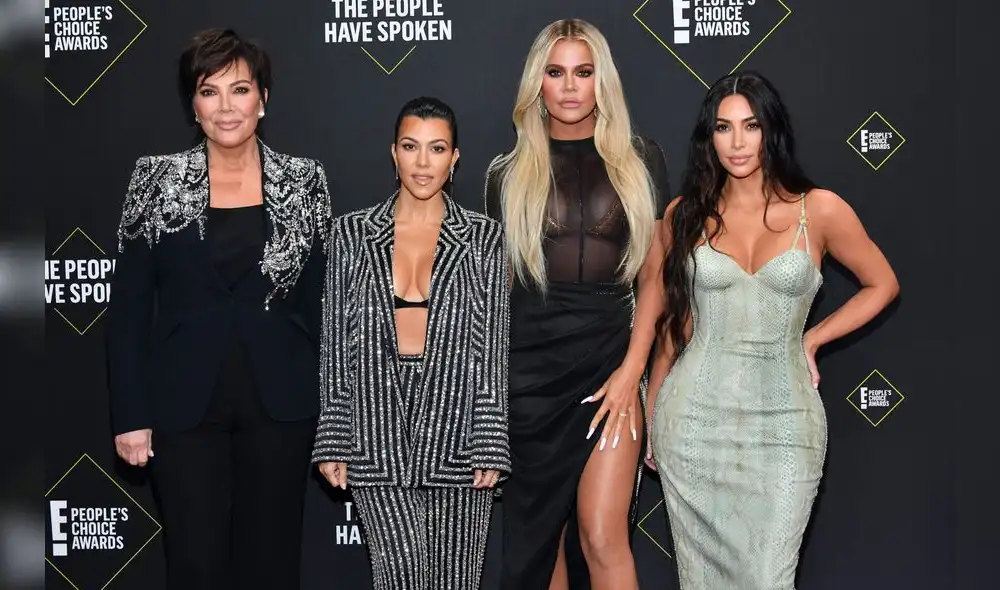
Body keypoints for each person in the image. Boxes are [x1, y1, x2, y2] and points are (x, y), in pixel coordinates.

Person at [647, 70, 900, 589]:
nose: (737, 142)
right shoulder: (683, 216)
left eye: (751, 126)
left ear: (772, 131)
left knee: (768, 578)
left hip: (785, 426)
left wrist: (813, 336)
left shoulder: (819, 209)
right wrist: (653, 412)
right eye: (723, 127)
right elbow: (673, 325)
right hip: (693, 422)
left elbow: (883, 283)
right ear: (708, 137)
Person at [106, 28, 331, 590]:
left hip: (282, 403)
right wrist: (131, 414)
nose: (226, 107)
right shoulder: (154, 180)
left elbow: (326, 305)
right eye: (210, 92)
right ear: (193, 104)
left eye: (240, 89)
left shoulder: (305, 182)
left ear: (263, 99)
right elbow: (129, 309)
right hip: (184, 407)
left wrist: (337, 418)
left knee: (272, 564)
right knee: (195, 565)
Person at [484, 18, 670, 590]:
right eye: (556, 72)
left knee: (602, 534)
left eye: (583, 72)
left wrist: (631, 373)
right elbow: (494, 296)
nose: (569, 86)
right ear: (537, 83)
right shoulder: (506, 174)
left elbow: (655, 280)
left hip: (610, 365)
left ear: (602, 81)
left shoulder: (642, 161)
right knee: (540, 544)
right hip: (530, 379)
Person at [312, 96, 510, 590]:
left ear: (455, 158)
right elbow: (337, 342)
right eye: (411, 147)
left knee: (454, 581)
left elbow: (492, 348)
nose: (423, 163)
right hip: (376, 428)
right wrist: (335, 434)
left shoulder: (485, 238)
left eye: (437, 148)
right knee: (398, 573)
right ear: (393, 153)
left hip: (459, 432)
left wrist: (490, 435)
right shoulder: (352, 235)